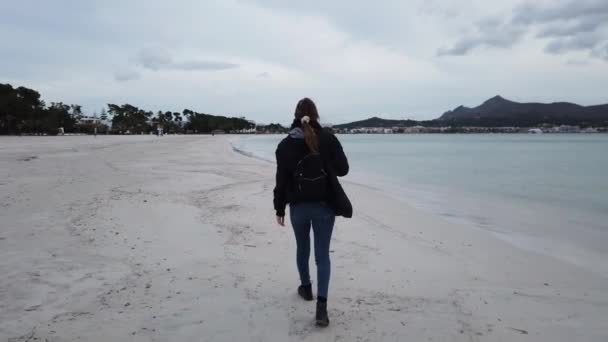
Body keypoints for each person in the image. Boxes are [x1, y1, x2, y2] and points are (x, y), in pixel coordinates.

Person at [273, 98, 349, 327]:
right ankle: (321, 309)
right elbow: (343, 169)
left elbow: (281, 180)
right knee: (322, 255)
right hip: (324, 206)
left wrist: (279, 208)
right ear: (316, 115)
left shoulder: (285, 145)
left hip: (297, 207)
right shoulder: (327, 138)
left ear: (295, 115)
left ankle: (306, 289)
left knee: (302, 248)